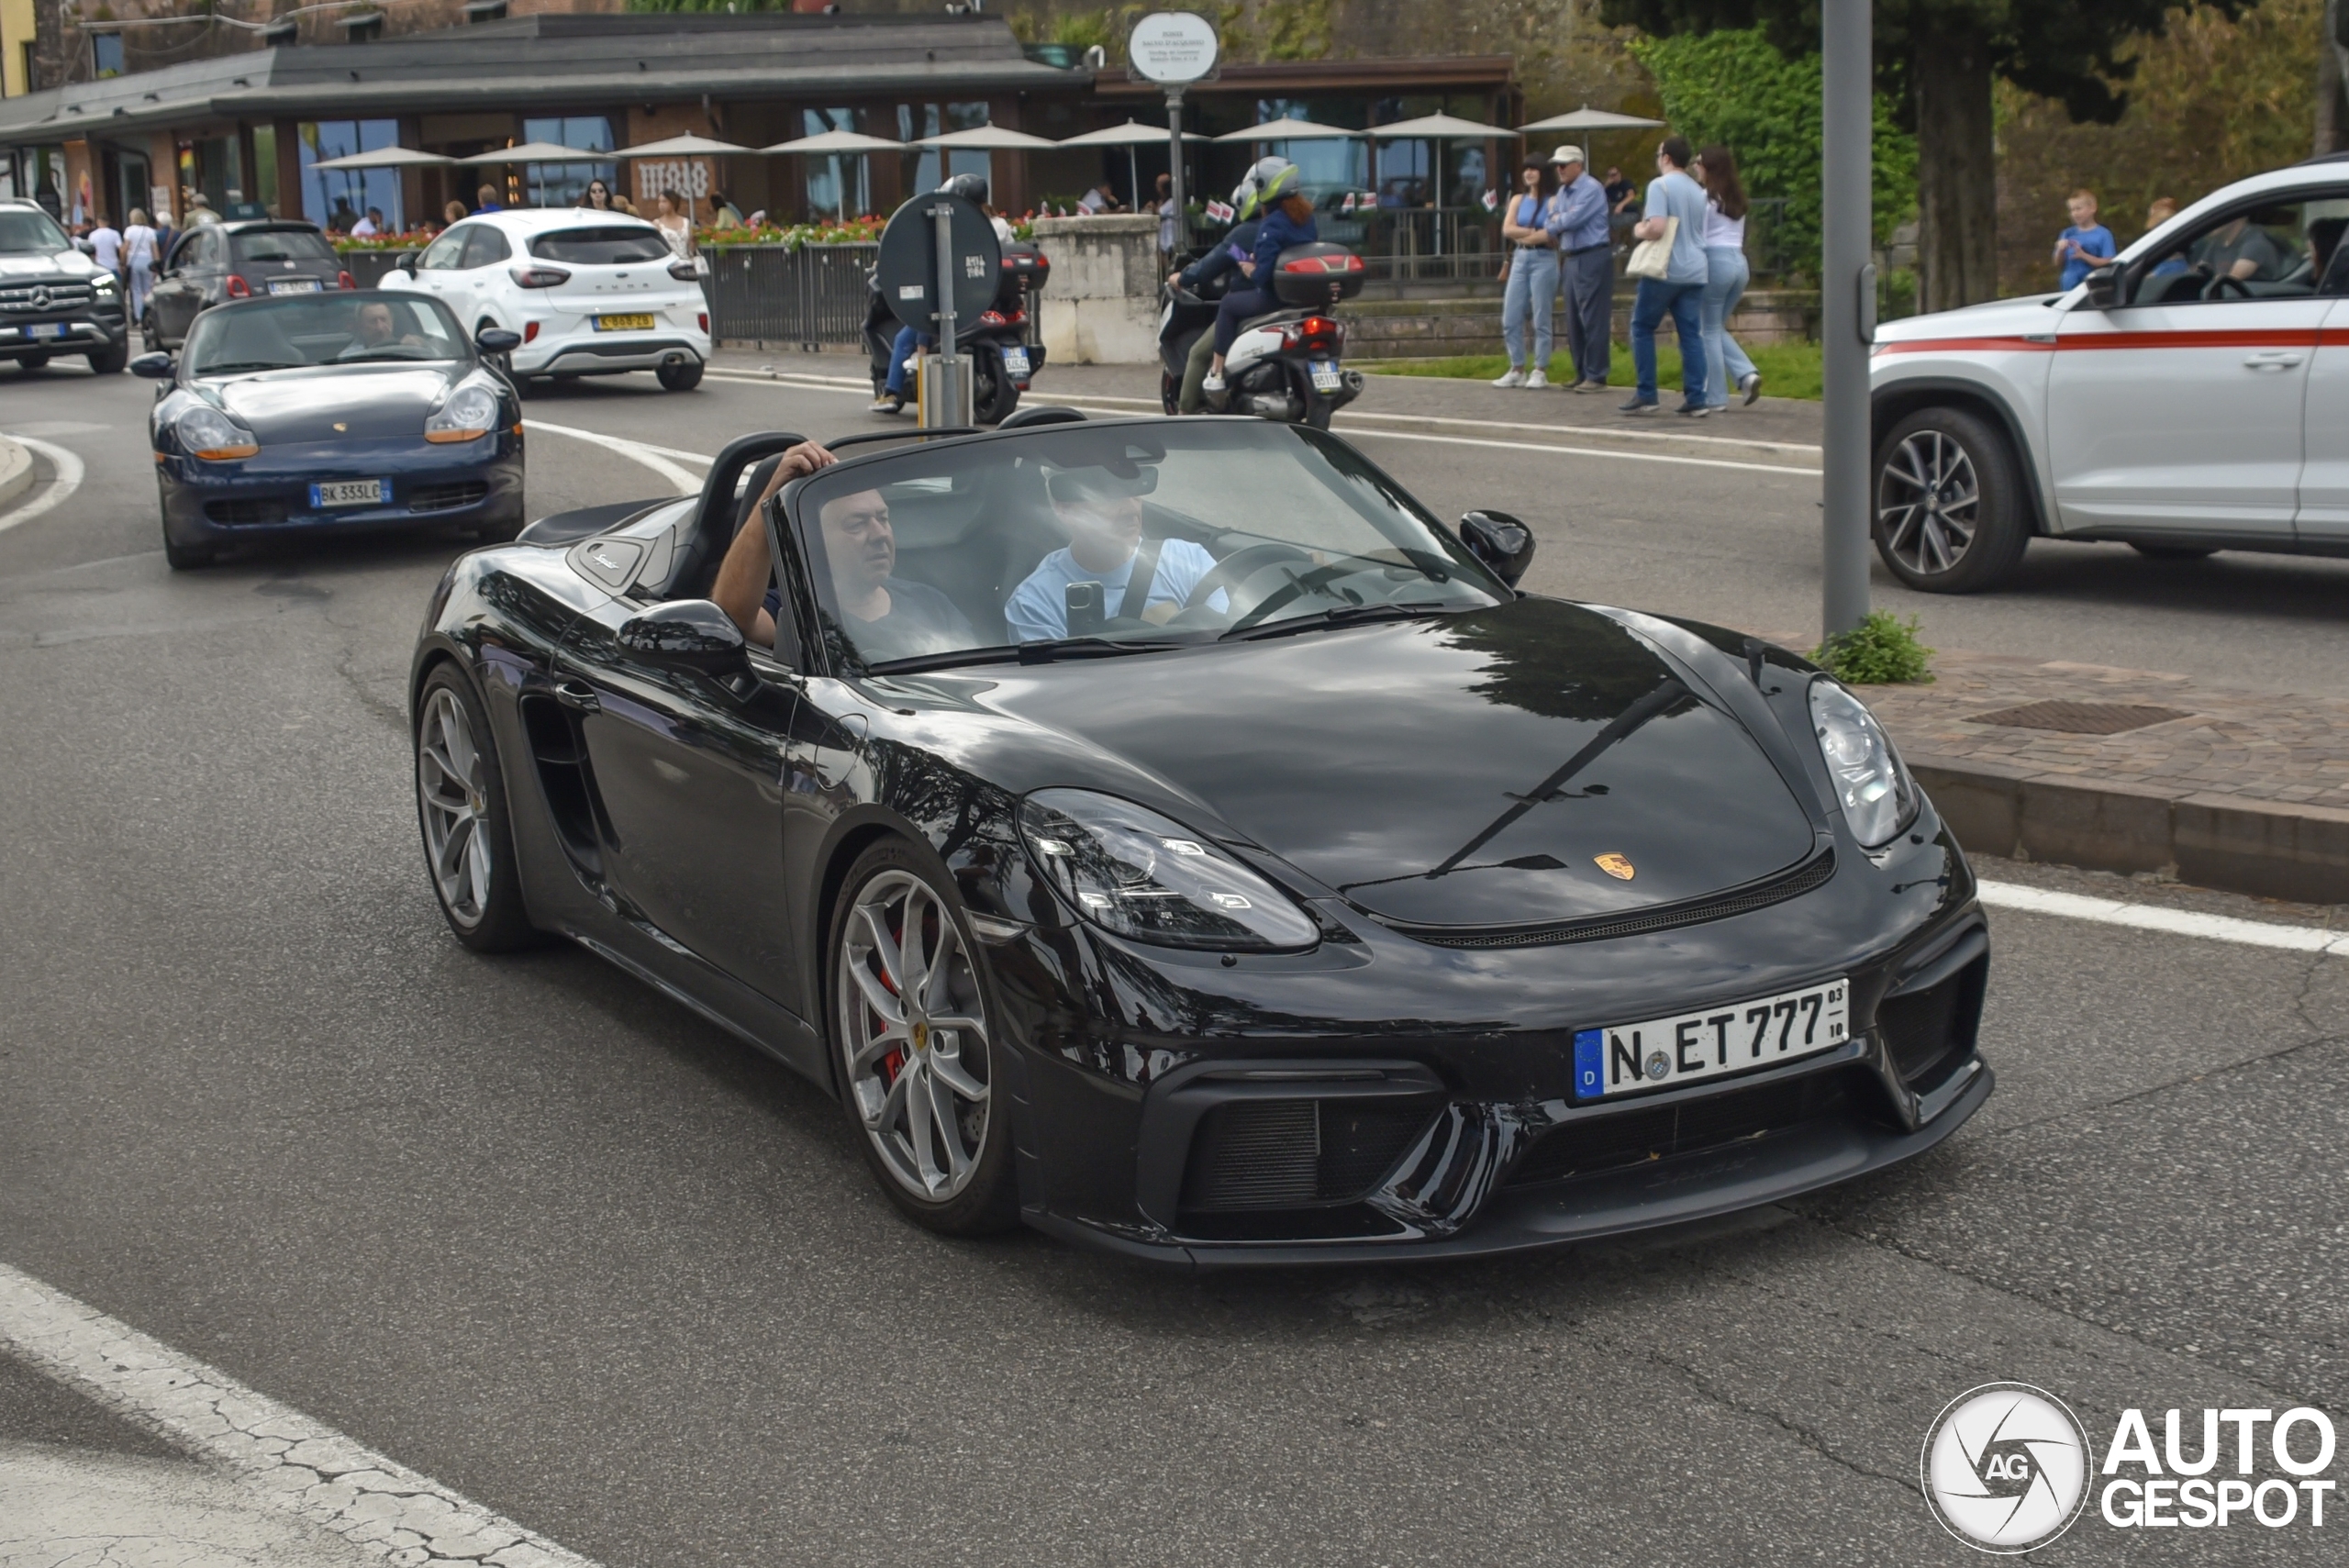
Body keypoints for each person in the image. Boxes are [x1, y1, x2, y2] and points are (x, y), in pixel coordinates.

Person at [710, 444, 977, 662]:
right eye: (857, 524)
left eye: (883, 519)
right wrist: (772, 496)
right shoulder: (796, 610)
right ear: (816, 540)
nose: (880, 534)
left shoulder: (931, 602)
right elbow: (734, 617)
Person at [1006, 466, 1223, 641]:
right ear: (1065, 509)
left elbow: (1231, 638)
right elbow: (1059, 690)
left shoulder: (1188, 559)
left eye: (1134, 492)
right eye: (1110, 495)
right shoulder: (1035, 604)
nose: (1131, 509)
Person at [1202, 157, 1316, 396]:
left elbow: (1258, 275)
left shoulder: (1265, 225)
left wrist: (1250, 268)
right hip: (1303, 297)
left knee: (1228, 305)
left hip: (1274, 297)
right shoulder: (1306, 218)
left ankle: (1217, 372)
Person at [1621, 134, 1711, 417]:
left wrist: (1639, 230)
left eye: (1659, 155)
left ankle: (1647, 394)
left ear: (1666, 158)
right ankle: (1697, 397)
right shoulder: (1698, 190)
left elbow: (1657, 228)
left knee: (1642, 327)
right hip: (1696, 269)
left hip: (1665, 268)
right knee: (1690, 334)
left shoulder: (1660, 186)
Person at [1168, 195, 1261, 413]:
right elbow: (1235, 256)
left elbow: (1211, 264)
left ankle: (1184, 415)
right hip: (1288, 305)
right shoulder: (1294, 228)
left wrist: (1182, 278)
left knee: (1198, 353)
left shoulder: (1246, 232)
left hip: (1251, 304)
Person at [1692, 144, 1762, 409]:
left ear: (1709, 167)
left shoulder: (1705, 198)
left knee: (1706, 330)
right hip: (1739, 263)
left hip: (1716, 262)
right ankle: (1746, 375)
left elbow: (1700, 237)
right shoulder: (1735, 198)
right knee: (1715, 327)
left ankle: (1716, 396)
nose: (1696, 167)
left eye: (1699, 162)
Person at [1544, 145, 1612, 393]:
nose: (1559, 170)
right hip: (1571, 256)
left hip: (1592, 254)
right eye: (1557, 165)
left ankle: (1597, 374)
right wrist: (1557, 221)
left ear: (1578, 165)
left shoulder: (1591, 188)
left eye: (1564, 164)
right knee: (1573, 317)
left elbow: (1569, 220)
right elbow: (1549, 221)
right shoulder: (1563, 192)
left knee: (1593, 316)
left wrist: (1558, 220)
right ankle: (1581, 371)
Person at [1492, 160, 1558, 389]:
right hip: (1520, 258)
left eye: (1534, 169)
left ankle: (1540, 369)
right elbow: (1507, 229)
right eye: (1526, 170)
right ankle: (1517, 367)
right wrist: (1531, 232)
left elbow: (1550, 233)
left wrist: (1524, 235)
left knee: (1541, 316)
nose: (1529, 173)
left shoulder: (1553, 201)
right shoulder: (1518, 200)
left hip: (1544, 259)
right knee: (1510, 315)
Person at [2053, 189, 2115, 291]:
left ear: (2093, 208)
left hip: (2092, 286)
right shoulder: (2067, 233)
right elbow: (2057, 263)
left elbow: (2108, 261)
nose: (2075, 214)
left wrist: (2083, 256)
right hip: (2068, 285)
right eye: (2072, 210)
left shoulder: (2103, 234)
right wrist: (2060, 250)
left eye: (2078, 209)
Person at [337, 299, 424, 358]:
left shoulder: (410, 348)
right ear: (361, 325)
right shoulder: (350, 357)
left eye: (383, 319)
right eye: (373, 321)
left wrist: (418, 349)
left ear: (392, 321)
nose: (380, 327)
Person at [121, 207, 158, 321]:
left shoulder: (129, 230)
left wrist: (122, 263)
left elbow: (124, 249)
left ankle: (138, 316)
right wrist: (157, 264)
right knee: (148, 289)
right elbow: (154, 249)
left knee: (136, 289)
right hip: (148, 261)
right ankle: (149, 314)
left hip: (134, 261)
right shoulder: (150, 231)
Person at [1603, 165, 1638, 242]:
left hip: (1628, 212)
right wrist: (1605, 185)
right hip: (1613, 213)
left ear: (1619, 174)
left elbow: (1631, 195)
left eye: (1614, 175)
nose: (1612, 177)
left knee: (1613, 223)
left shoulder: (1625, 183)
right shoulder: (1609, 187)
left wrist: (1621, 205)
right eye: (1610, 175)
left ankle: (1619, 244)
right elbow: (1598, 196)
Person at [652, 192, 692, 258]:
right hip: (668, 261)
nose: (661, 205)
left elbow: (691, 249)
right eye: (659, 202)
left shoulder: (686, 222)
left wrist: (694, 241)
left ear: (673, 203)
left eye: (664, 201)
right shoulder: (657, 223)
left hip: (686, 261)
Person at [86, 214, 122, 282]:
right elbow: (121, 249)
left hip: (99, 266)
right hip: (113, 265)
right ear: (108, 222)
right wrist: (121, 263)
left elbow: (90, 251)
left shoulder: (93, 235)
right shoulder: (115, 234)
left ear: (98, 222)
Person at [1155, 172, 1176, 257]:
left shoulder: (1172, 202)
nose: (1156, 187)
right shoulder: (1162, 201)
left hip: (1169, 241)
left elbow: (1159, 214)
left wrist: (1153, 206)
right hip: (1162, 240)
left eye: (1158, 184)